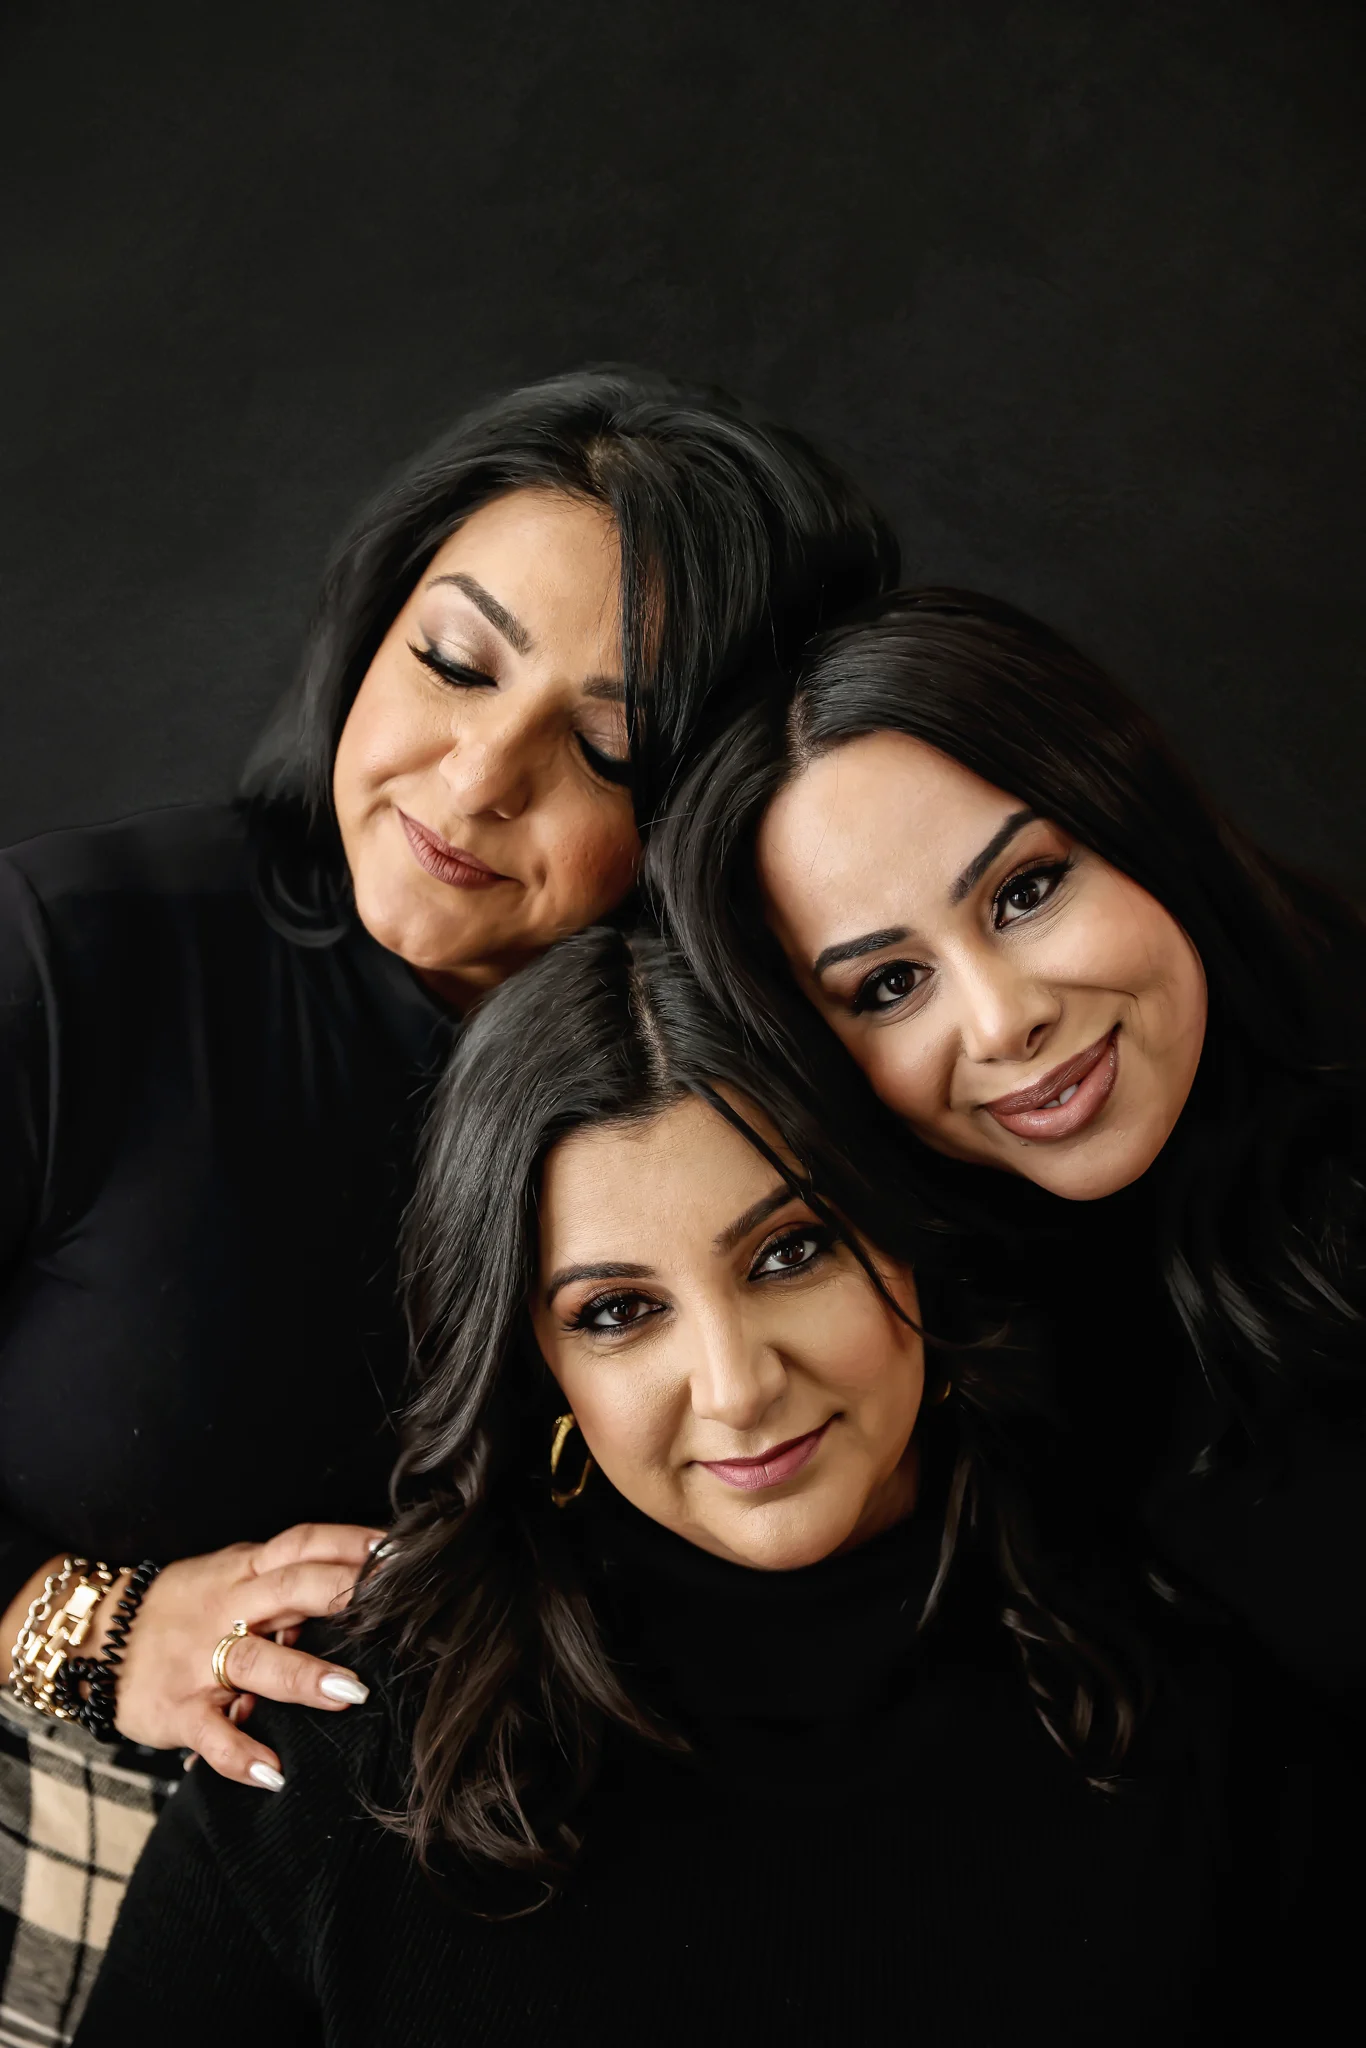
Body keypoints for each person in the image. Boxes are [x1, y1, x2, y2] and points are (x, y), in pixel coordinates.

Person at [0, 366, 898, 2039]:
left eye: (605, 746)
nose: (478, 774)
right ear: (373, 623)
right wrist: (81, 1624)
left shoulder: (775, 1070)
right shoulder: (76, 955)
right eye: (455, 662)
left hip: (548, 1911)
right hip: (78, 1864)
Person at [77, 927, 1321, 2045]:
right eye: (618, 1311)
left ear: (910, 1238)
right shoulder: (341, 1742)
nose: (735, 1387)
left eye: (792, 1250)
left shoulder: (1188, 1684)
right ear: (538, 1363)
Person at [648, 587, 1366, 1699]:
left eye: (1025, 891)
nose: (999, 1022)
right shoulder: (956, 1350)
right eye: (890, 984)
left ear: (1141, 825)